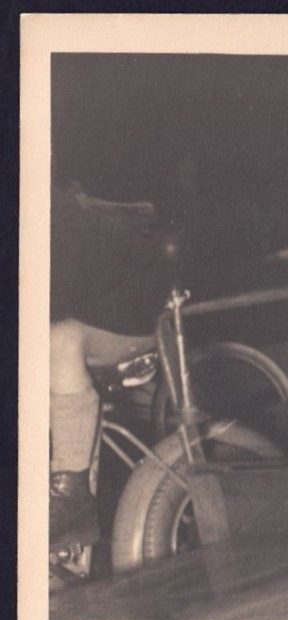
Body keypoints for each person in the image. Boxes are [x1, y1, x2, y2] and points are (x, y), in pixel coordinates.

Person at [50, 181, 167, 547]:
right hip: (100, 310)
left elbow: (51, 297)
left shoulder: (57, 214)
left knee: (58, 340)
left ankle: (72, 493)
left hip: (139, 323)